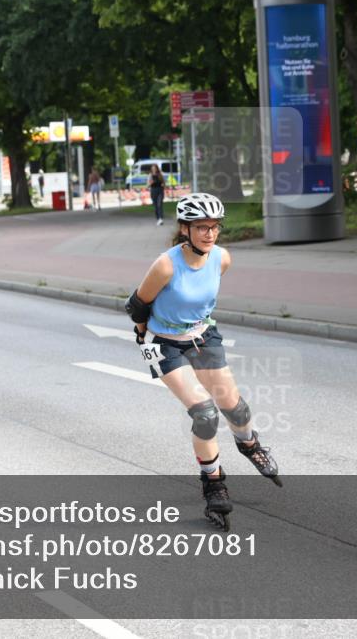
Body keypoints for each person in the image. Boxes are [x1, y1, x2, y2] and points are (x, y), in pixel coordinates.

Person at [125, 193, 280, 531]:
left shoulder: (222, 259)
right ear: (185, 229)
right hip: (164, 343)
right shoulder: (166, 264)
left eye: (214, 227)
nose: (209, 234)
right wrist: (142, 334)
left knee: (235, 408)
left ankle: (250, 445)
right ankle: (214, 485)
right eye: (201, 227)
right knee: (205, 414)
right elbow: (137, 304)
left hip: (203, 336)